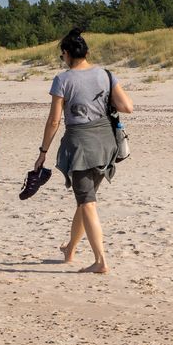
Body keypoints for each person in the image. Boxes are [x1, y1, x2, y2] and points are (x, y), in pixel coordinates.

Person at [36, 28, 134, 275]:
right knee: (85, 199)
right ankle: (70, 249)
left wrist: (43, 151)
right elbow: (127, 106)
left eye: (62, 55)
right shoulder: (106, 74)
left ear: (66, 54)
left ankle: (100, 261)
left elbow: (54, 121)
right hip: (105, 144)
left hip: (80, 145)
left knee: (87, 202)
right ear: (87, 53)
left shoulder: (62, 80)